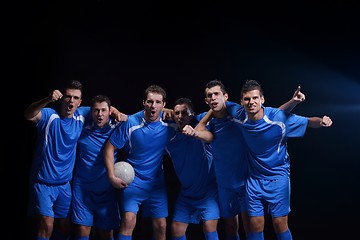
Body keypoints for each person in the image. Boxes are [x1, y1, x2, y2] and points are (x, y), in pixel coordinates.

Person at [189, 80, 305, 240]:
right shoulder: (209, 120)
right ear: (206, 100)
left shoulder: (239, 114)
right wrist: (209, 111)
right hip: (224, 183)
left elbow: (268, 115)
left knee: (251, 226)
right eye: (210, 96)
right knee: (230, 228)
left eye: (217, 94)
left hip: (245, 180)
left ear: (225, 96)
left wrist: (293, 102)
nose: (214, 98)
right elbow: (189, 121)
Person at [237, 79, 332, 240]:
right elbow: (220, 107)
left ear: (262, 100)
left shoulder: (278, 119)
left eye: (255, 98)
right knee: (255, 224)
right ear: (241, 102)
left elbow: (308, 121)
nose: (251, 102)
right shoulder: (238, 116)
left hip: (278, 177)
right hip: (254, 178)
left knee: (280, 224)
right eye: (247, 99)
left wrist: (322, 122)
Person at [103, 84, 177, 240]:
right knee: (128, 221)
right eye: (149, 101)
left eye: (158, 102)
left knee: (162, 226)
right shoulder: (131, 123)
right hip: (133, 181)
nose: (153, 106)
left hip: (156, 183)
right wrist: (111, 176)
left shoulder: (169, 124)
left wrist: (171, 111)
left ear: (164, 105)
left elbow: (188, 117)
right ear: (143, 102)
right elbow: (109, 149)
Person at [24, 80, 89, 240]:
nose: (71, 101)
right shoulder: (49, 115)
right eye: (68, 96)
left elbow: (105, 108)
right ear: (61, 98)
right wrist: (47, 99)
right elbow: (28, 114)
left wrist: (116, 112)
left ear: (80, 102)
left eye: (75, 98)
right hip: (43, 182)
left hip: (64, 184)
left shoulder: (81, 116)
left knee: (65, 227)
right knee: (46, 224)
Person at [71, 94, 127, 240]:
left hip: (106, 190)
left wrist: (117, 112)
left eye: (103, 110)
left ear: (109, 111)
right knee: (83, 230)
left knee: (106, 233)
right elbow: (71, 108)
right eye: (96, 110)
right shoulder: (81, 125)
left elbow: (144, 115)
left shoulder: (118, 125)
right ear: (91, 111)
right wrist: (113, 110)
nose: (99, 114)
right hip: (83, 188)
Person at [164, 98, 220, 240]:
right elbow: (153, 109)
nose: (180, 116)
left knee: (209, 227)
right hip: (187, 193)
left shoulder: (200, 125)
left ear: (192, 114)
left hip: (208, 193)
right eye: (177, 113)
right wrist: (167, 111)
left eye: (184, 113)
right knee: (176, 229)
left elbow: (210, 137)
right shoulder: (170, 135)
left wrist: (195, 133)